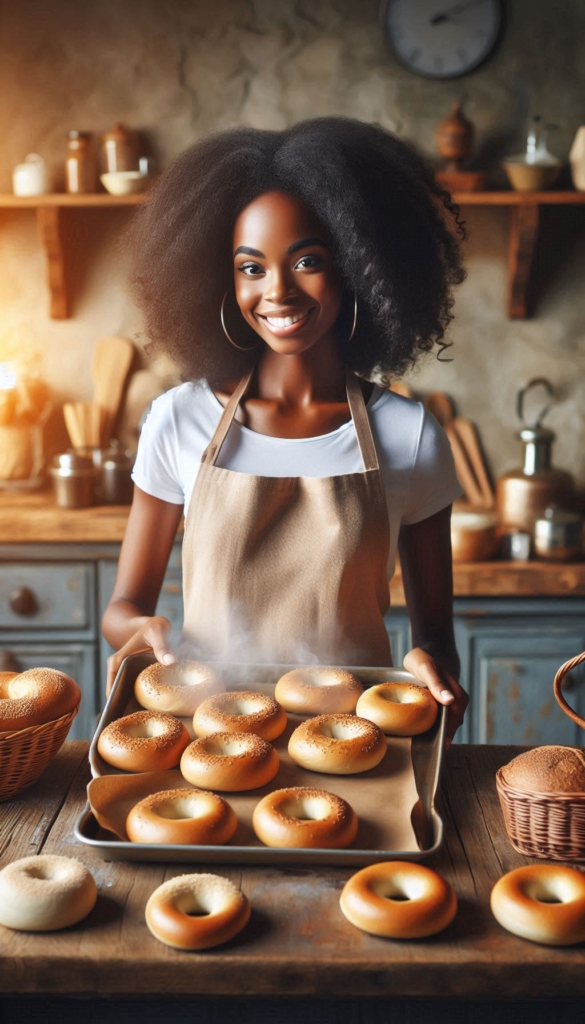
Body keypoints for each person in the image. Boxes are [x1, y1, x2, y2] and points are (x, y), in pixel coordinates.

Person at [102, 117, 469, 744]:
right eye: (252, 267)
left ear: (358, 267)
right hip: (204, 744)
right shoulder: (179, 420)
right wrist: (139, 631)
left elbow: (437, 641)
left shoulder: (410, 435)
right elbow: (122, 609)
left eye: (307, 261)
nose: (278, 291)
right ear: (220, 278)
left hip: (354, 747)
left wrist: (429, 671)